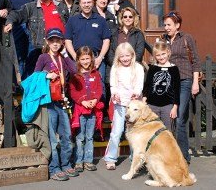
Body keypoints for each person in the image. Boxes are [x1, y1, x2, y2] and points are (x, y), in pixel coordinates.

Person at [34, 28, 78, 181]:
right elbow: (35, 77)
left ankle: (65, 164)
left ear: (62, 42)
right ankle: (54, 168)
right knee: (52, 138)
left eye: (58, 40)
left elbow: (75, 70)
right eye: (52, 40)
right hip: (49, 103)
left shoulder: (63, 58)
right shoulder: (43, 57)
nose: (55, 43)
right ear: (47, 41)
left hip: (63, 102)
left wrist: (65, 53)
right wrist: (47, 75)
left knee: (66, 136)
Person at [4, 0, 65, 79]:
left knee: (57, 78)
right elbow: (16, 14)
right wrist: (10, 22)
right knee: (35, 76)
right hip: (38, 48)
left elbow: (67, 24)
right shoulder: (30, 7)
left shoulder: (60, 6)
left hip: (58, 47)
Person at [162, 11, 200, 164]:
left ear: (177, 25)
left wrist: (195, 82)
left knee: (179, 119)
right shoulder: (163, 40)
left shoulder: (186, 38)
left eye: (169, 25)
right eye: (165, 25)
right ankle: (170, 155)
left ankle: (184, 157)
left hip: (184, 81)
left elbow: (196, 60)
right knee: (168, 119)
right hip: (169, 83)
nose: (166, 28)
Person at [103, 42, 144, 170]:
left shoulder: (138, 67)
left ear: (132, 55)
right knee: (117, 131)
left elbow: (139, 84)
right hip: (120, 105)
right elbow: (113, 85)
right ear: (118, 57)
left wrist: (137, 93)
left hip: (134, 106)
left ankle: (136, 158)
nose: (125, 59)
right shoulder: (115, 68)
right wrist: (114, 94)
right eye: (122, 56)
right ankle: (110, 158)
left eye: (127, 56)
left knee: (135, 132)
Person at [65, 0, 111, 102]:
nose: (86, 5)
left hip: (97, 59)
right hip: (77, 59)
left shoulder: (100, 20)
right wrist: (75, 57)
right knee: (78, 87)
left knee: (99, 87)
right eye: (84, 2)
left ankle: (99, 116)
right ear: (80, 4)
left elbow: (106, 40)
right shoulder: (72, 20)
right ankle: (77, 116)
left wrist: (100, 57)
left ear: (93, 3)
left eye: (89, 2)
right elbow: (67, 40)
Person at [69, 46, 102, 172]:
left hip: (92, 111)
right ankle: (78, 161)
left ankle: (88, 160)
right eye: (82, 59)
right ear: (78, 60)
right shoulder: (75, 75)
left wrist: (95, 100)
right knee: (80, 137)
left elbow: (99, 89)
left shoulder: (96, 73)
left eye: (87, 58)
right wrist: (82, 101)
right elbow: (72, 92)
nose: (85, 61)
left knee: (89, 136)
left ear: (91, 59)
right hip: (80, 111)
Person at [4, 0, 38, 77]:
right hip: (16, 27)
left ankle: (29, 81)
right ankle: (19, 83)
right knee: (18, 55)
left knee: (30, 54)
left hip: (30, 28)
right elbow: (6, 9)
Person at [143, 41, 180, 131]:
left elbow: (177, 89)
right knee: (152, 131)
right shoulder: (152, 68)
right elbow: (147, 85)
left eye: (163, 54)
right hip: (152, 105)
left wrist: (175, 107)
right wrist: (144, 102)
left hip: (167, 106)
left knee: (167, 132)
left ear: (168, 52)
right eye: (158, 55)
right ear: (155, 56)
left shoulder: (174, 69)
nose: (161, 57)